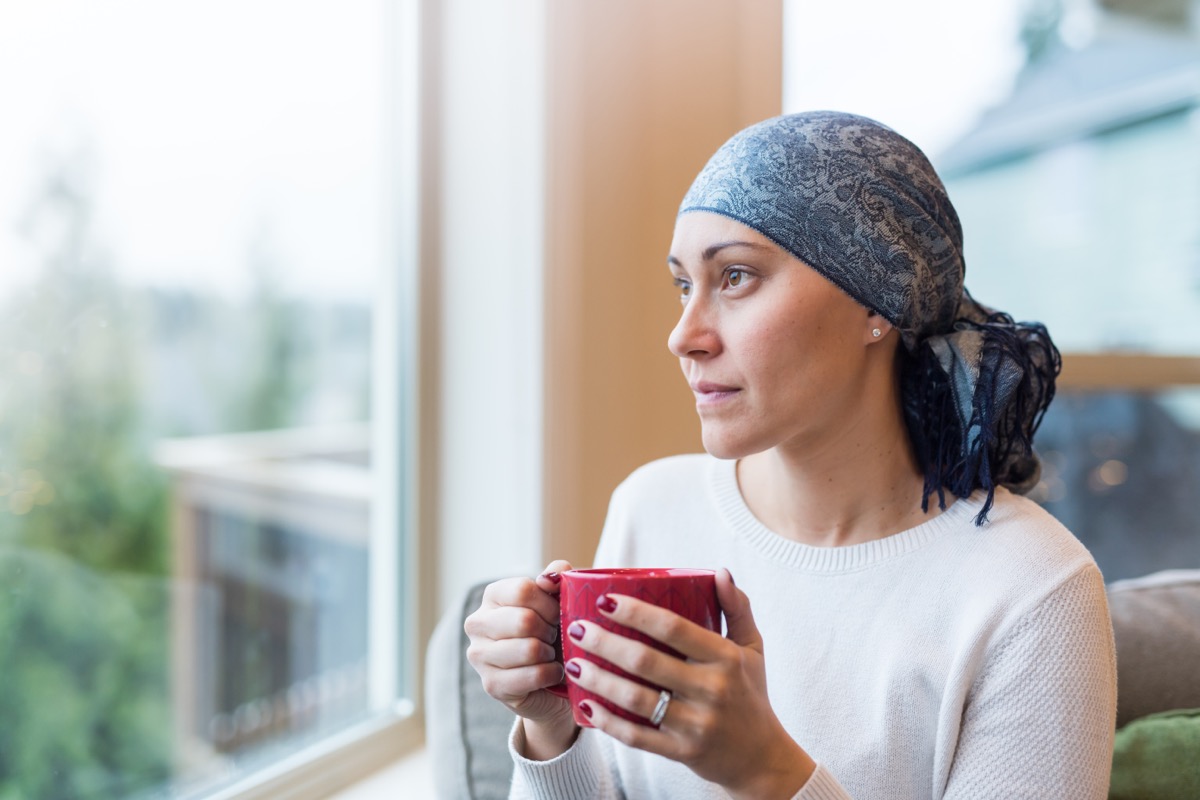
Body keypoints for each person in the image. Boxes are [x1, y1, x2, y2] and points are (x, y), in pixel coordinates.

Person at [464, 111, 1117, 799]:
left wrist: (766, 773)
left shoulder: (1035, 590)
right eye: (685, 284)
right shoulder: (652, 508)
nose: (683, 336)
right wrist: (552, 733)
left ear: (879, 300)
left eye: (737, 276)